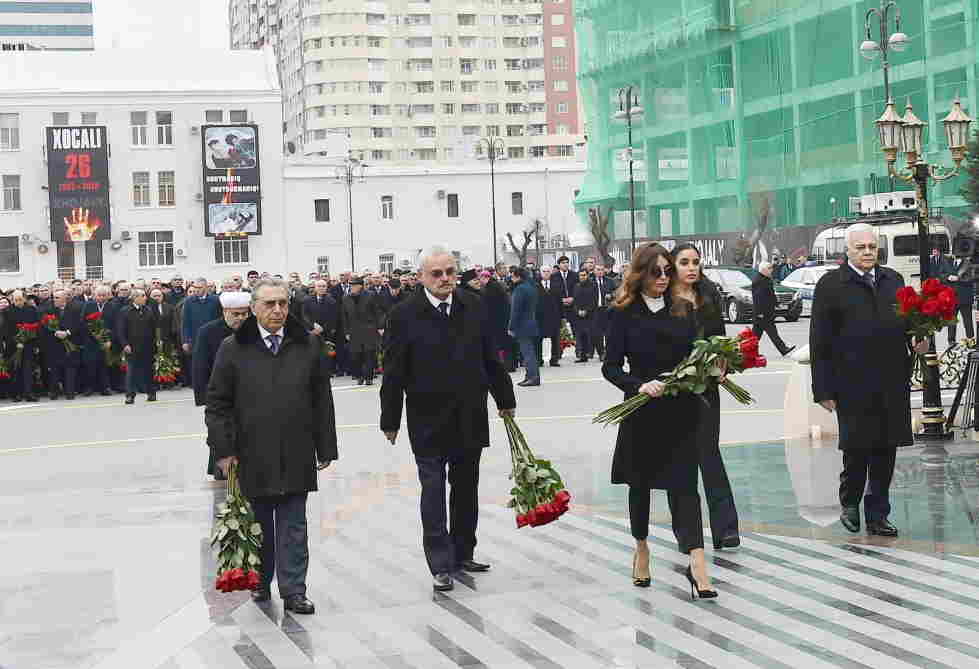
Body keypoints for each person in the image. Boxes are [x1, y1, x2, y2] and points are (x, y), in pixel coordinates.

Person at [380, 246, 516, 592]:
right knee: (434, 489)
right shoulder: (403, 315)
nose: (445, 279)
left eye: (450, 272)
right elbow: (393, 371)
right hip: (427, 417)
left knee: (467, 486)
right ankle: (440, 562)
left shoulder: (473, 305)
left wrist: (505, 398)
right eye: (437, 274)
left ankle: (463, 551)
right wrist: (390, 418)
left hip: (470, 412)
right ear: (422, 277)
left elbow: (490, 355)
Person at [207, 278, 337, 614]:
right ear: (253, 308)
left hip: (296, 447)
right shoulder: (233, 348)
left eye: (282, 303)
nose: (277, 310)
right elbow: (218, 404)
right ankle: (261, 584)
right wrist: (224, 451)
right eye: (269, 304)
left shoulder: (307, 344)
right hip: (252, 452)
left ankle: (294, 591)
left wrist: (325, 447)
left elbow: (322, 398)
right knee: (259, 521)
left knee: (295, 525)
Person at [602, 243, 717, 599]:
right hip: (641, 409)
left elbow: (696, 354)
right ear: (641, 274)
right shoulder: (623, 312)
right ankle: (641, 548)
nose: (665, 278)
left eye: (669, 271)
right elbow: (610, 366)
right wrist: (639, 385)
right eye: (658, 272)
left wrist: (711, 368)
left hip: (680, 409)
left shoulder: (682, 308)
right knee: (640, 485)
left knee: (685, 485)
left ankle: (697, 563)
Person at [810, 223, 929, 537]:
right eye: (860, 247)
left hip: (891, 378)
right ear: (847, 249)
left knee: (886, 450)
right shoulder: (831, 285)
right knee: (857, 447)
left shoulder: (893, 280)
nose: (866, 252)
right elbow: (819, 340)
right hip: (851, 381)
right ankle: (849, 501)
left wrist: (919, 339)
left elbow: (908, 324)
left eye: (871, 247)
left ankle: (878, 514)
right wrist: (822, 388)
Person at [670, 243, 741, 550]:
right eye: (684, 262)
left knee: (709, 454)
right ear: (672, 266)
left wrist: (722, 364)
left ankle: (726, 528)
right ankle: (687, 532)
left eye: (695, 262)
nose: (691, 267)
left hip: (707, 387)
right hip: (674, 389)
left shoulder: (708, 297)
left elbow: (720, 340)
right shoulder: (664, 300)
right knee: (679, 461)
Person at [194, 292, 251, 480]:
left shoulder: (254, 331)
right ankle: (221, 471)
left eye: (245, 314)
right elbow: (200, 367)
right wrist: (203, 397)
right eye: (236, 314)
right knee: (221, 435)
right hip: (220, 396)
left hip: (249, 396)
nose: (241, 318)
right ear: (225, 312)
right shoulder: (208, 332)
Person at [118, 288, 159, 404]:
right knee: (131, 371)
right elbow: (120, 330)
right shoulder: (125, 311)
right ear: (135, 298)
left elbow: (153, 328)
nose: (145, 298)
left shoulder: (148, 310)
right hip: (132, 346)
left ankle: (151, 393)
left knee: (148, 371)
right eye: (142, 296)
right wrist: (125, 344)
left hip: (147, 346)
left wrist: (155, 343)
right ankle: (130, 395)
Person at [40, 289, 83, 400]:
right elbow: (44, 325)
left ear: (65, 298)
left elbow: (79, 324)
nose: (55, 300)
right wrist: (55, 332)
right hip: (55, 344)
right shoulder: (49, 310)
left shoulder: (75, 310)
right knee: (54, 369)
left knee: (70, 369)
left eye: (57, 298)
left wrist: (67, 333)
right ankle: (54, 392)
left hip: (70, 343)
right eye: (54, 297)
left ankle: (70, 392)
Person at [342, 277, 385, 385]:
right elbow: (344, 316)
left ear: (360, 286)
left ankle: (369, 377)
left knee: (369, 354)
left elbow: (377, 312)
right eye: (350, 286)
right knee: (356, 355)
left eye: (353, 285)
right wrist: (346, 331)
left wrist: (380, 326)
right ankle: (359, 376)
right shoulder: (346, 298)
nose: (351, 288)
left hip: (368, 329)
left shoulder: (370, 295)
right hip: (354, 330)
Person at [181, 278, 222, 384]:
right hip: (196, 339)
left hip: (214, 339)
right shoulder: (189, 302)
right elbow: (185, 323)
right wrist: (185, 341)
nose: (196, 290)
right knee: (200, 367)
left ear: (205, 288)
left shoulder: (216, 300)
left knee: (214, 365)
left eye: (199, 288)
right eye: (195, 288)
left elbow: (220, 319)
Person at [751, 262, 796, 357]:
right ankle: (783, 349)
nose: (771, 270)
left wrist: (776, 303)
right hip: (762, 313)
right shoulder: (759, 281)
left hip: (766, 312)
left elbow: (770, 295)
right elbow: (758, 298)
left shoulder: (765, 279)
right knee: (766, 334)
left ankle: (749, 352)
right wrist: (759, 313)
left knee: (757, 335)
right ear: (763, 270)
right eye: (769, 268)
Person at [3, 290, 40, 402]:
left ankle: (28, 393)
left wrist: (30, 340)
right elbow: (6, 330)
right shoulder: (6, 311)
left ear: (24, 299)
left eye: (19, 299)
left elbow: (35, 326)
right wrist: (16, 341)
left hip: (28, 345)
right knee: (15, 370)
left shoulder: (31, 310)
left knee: (28, 370)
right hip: (13, 346)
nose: (17, 302)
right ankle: (16, 394)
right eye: (15, 299)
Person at [508, 266, 540, 387]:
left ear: (518, 276)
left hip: (522, 325)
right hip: (531, 322)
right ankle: (530, 376)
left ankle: (533, 377)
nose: (511, 278)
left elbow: (515, 310)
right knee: (529, 351)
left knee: (527, 353)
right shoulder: (531, 287)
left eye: (512, 276)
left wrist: (511, 327)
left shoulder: (520, 289)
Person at [81, 286, 113, 397]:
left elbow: (116, 323)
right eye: (99, 295)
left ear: (108, 296)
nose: (101, 297)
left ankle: (105, 387)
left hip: (106, 341)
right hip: (91, 341)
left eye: (104, 295)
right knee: (90, 365)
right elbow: (83, 321)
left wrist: (109, 339)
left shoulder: (112, 306)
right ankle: (89, 387)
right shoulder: (88, 305)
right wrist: (94, 333)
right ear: (95, 296)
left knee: (104, 365)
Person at [942, 256, 975, 347]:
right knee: (951, 321)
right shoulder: (948, 262)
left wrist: (958, 278)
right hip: (952, 298)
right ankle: (951, 341)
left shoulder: (968, 263)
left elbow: (971, 278)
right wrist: (948, 277)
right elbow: (942, 274)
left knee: (967, 321)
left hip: (964, 298)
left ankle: (970, 340)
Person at [536, 266, 563, 367]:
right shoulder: (535, 285)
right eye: (544, 271)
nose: (546, 273)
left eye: (548, 271)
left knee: (555, 339)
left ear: (551, 272)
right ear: (540, 272)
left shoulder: (556, 285)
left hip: (554, 316)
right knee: (538, 339)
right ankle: (539, 359)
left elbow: (560, 302)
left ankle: (554, 359)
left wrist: (562, 317)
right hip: (540, 317)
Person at [572, 269, 596, 362]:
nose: (582, 277)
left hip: (589, 314)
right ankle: (582, 355)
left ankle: (589, 352)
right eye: (581, 275)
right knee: (580, 336)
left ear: (587, 276)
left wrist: (586, 310)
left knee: (589, 335)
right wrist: (577, 311)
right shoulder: (576, 286)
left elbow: (594, 300)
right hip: (578, 315)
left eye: (584, 275)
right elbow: (575, 301)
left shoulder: (593, 286)